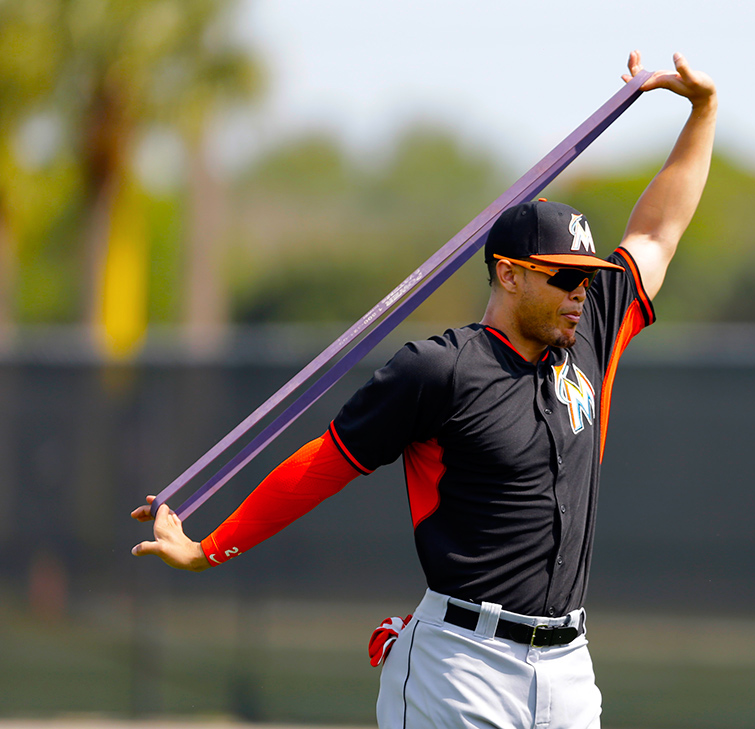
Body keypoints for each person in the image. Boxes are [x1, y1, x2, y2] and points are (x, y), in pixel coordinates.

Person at [130, 50, 716, 729]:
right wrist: (210, 548)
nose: (580, 291)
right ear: (509, 274)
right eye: (562, 276)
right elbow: (324, 463)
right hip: (461, 664)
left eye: (585, 277)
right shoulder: (438, 369)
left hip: (569, 669)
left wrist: (702, 113)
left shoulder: (590, 329)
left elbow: (656, 231)